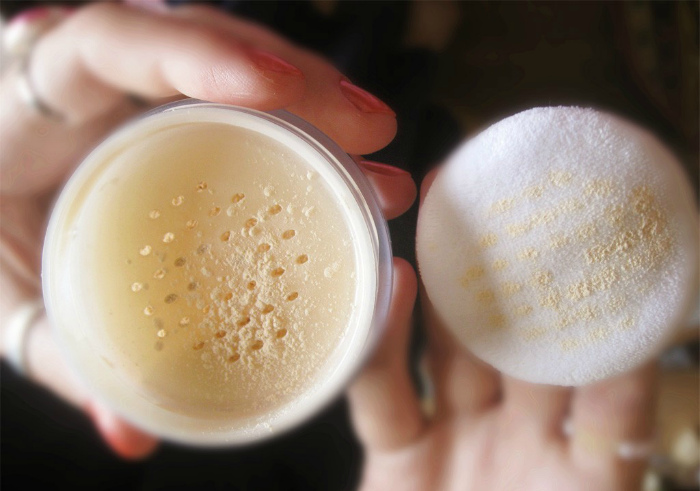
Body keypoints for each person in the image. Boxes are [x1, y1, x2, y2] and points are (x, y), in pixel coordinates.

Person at [0, 3, 656, 490]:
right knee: (392, 144)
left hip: (188, 103)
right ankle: (413, 45)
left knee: (305, 85)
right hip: (335, 419)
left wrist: (28, 52)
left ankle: (401, 38)